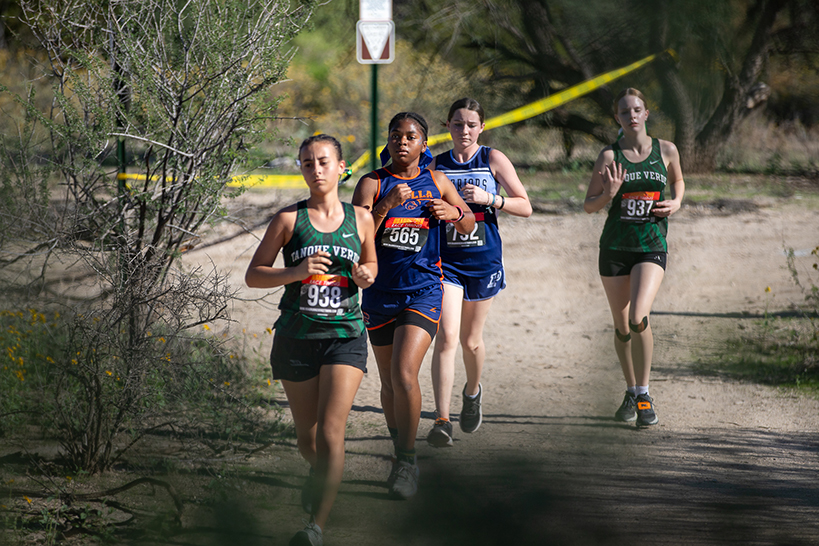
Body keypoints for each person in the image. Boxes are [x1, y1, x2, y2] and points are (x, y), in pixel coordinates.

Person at [245, 134, 377, 546]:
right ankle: (320, 476)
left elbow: (371, 262)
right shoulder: (288, 220)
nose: (315, 170)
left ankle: (315, 526)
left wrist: (366, 275)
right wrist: (296, 272)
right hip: (297, 337)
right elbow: (254, 275)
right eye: (307, 163)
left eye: (323, 162)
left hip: (345, 336)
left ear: (341, 168)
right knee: (308, 438)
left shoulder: (362, 218)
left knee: (330, 434)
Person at [351, 112, 474, 498]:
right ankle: (399, 450)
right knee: (388, 383)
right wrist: (386, 204)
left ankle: (407, 463)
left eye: (411, 136)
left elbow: (471, 222)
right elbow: (354, 234)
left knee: (405, 374)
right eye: (395, 136)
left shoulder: (436, 180)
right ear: (387, 142)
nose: (402, 142)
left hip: (423, 291)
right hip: (379, 293)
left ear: (424, 143)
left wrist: (453, 212)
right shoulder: (372, 183)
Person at [425, 98, 532, 447]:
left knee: (471, 341)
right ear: (448, 126)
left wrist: (491, 199)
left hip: (483, 259)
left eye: (471, 124)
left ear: (482, 127)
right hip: (447, 261)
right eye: (457, 124)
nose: (464, 131)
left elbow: (525, 205)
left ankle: (472, 392)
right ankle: (442, 419)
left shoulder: (492, 159)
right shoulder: (436, 164)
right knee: (447, 338)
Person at [583, 88, 685, 427]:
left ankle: (643, 393)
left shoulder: (666, 150)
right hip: (614, 249)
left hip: (651, 245)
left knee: (639, 316)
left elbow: (678, 180)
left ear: (646, 112)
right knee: (621, 326)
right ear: (617, 118)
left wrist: (677, 201)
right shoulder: (609, 157)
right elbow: (589, 205)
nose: (632, 115)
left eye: (637, 109)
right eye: (625, 112)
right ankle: (629, 389)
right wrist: (609, 194)